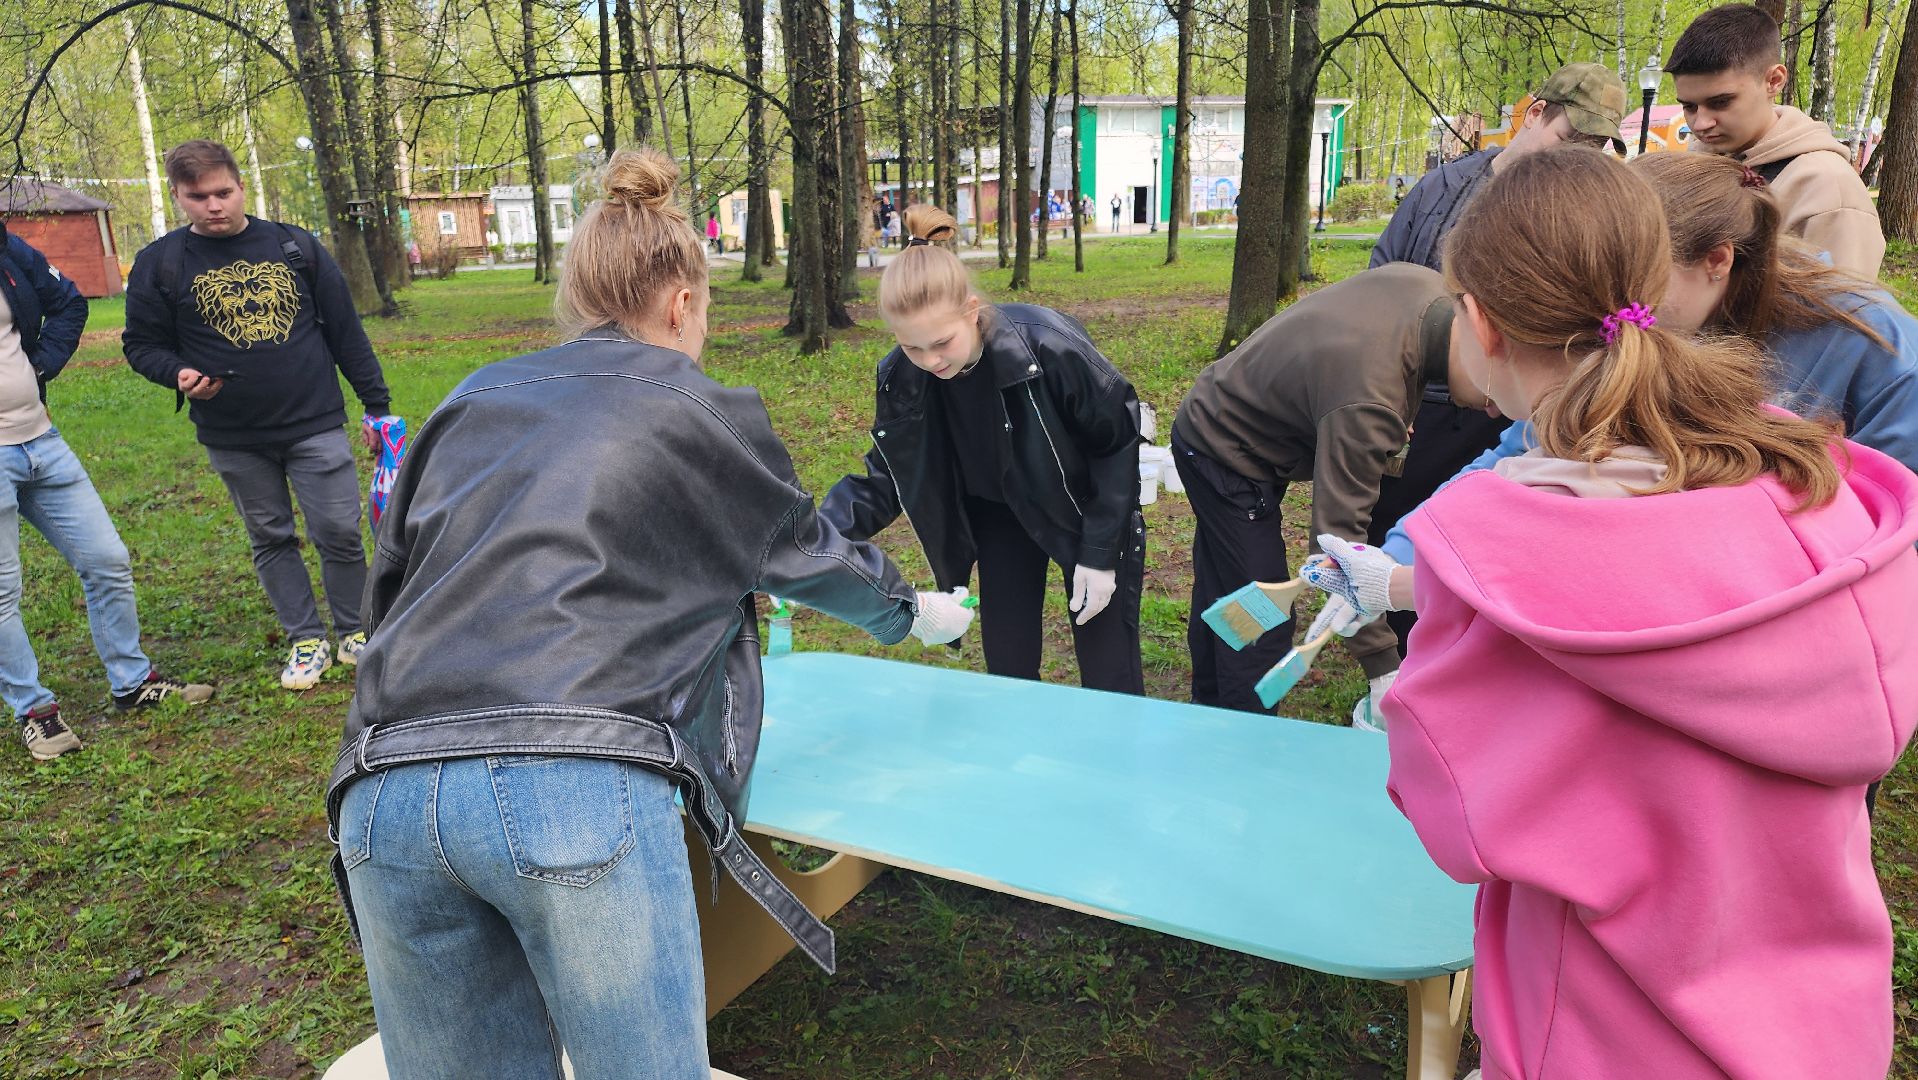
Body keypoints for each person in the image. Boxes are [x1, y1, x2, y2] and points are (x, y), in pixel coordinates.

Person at [325, 149, 974, 1079]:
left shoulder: (470, 397)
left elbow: (391, 586)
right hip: (571, 789)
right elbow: (806, 553)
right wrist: (910, 611)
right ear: (681, 303)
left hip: (382, 793)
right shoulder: (691, 404)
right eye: (705, 312)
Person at [1303, 145, 1917, 1078]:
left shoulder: (1498, 539)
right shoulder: (1816, 483)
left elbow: (1450, 816)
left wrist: (1428, 603)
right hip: (1823, 1029)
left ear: (1479, 323)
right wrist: (1413, 580)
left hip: (1605, 1032)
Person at [821, 205, 1146, 694]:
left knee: (1108, 669)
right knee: (1008, 665)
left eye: (942, 342)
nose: (930, 361)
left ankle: (1119, 760)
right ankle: (1020, 760)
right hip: (999, 517)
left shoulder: (1049, 347)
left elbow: (1117, 442)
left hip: (1084, 510)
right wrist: (811, 539)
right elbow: (888, 477)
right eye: (912, 347)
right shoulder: (900, 379)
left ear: (972, 311)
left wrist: (1100, 553)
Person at [1365, 63, 1628, 653]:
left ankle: (1440, 640)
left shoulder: (1573, 210)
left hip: (1508, 405)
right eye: (1570, 139)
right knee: (1405, 516)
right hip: (1420, 402)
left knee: (1469, 523)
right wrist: (1393, 389)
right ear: (1534, 114)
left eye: (1593, 148)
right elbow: (1382, 280)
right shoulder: (1441, 189)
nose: (1576, 158)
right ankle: (1395, 636)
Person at [123, 140, 394, 692]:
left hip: (313, 421)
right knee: (270, 535)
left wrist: (377, 406)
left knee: (339, 530)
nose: (214, 206)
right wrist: (176, 374)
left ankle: (354, 629)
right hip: (232, 435)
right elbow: (141, 344)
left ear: (241, 185)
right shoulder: (161, 264)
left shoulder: (295, 246)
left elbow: (345, 332)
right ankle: (305, 639)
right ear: (177, 196)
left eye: (223, 192)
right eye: (198, 197)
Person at [1171, 263, 1480, 723]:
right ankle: (1240, 746)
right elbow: (1336, 549)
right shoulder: (1370, 397)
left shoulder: (1430, 291)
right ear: (1485, 335)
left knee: (1228, 582)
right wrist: (1382, 668)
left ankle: (1210, 708)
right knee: (1263, 621)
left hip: (1222, 409)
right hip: (1223, 446)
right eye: (1492, 392)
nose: (1493, 409)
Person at [0, 223, 212, 761]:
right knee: (3, 594)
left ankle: (132, 681)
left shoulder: (5, 248)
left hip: (39, 440)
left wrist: (39, 364)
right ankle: (34, 712)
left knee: (107, 560)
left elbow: (68, 301)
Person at [1668, 3, 1884, 277]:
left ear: (1774, 80)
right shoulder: (1695, 167)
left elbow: (1843, 315)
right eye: (1689, 107)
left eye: (1720, 102)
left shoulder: (1828, 190)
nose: (1700, 123)